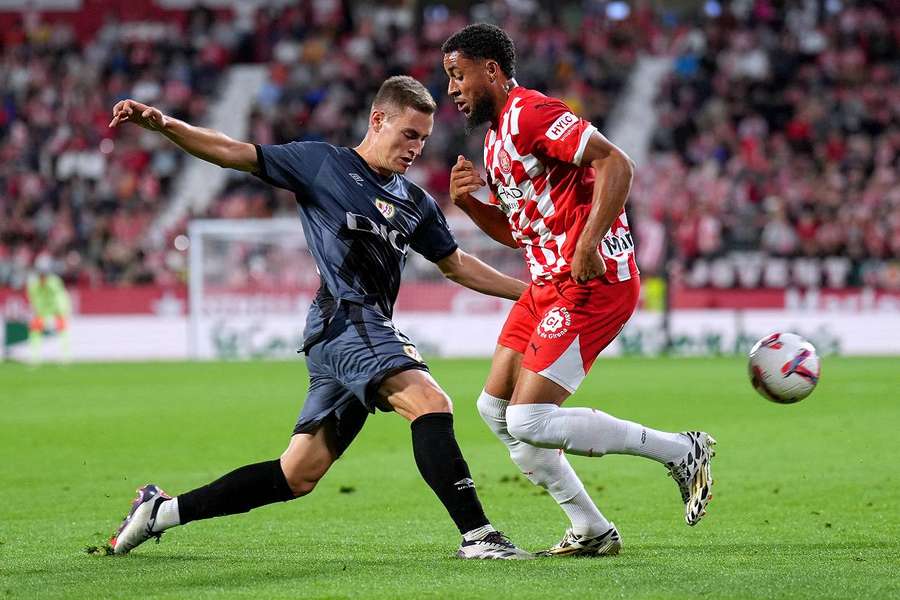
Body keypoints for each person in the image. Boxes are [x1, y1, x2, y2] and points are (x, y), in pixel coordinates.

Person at [106, 75, 532, 560]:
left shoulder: (415, 203)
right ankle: (478, 536)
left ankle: (160, 511)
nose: (416, 148)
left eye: (424, 139)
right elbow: (232, 151)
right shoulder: (322, 164)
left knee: (297, 474)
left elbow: (454, 264)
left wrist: (530, 295)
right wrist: (163, 124)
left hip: (354, 334)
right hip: (345, 321)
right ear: (378, 120)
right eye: (409, 134)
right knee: (430, 402)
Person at [441, 24, 717, 556]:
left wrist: (589, 243)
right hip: (546, 283)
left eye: (458, 75)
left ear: (491, 71)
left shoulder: (531, 113)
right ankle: (591, 530)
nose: (452, 88)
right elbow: (522, 230)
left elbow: (617, 162)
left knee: (528, 418)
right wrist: (472, 205)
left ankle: (680, 451)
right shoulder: (496, 138)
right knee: (494, 411)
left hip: (591, 281)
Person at [26, 255, 72, 364]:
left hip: (56, 307)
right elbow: (32, 297)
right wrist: (37, 310)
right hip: (43, 309)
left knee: (62, 329)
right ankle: (34, 357)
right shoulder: (33, 283)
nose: (43, 276)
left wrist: (61, 310)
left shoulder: (54, 281)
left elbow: (60, 296)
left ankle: (65, 356)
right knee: (35, 329)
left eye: (44, 273)